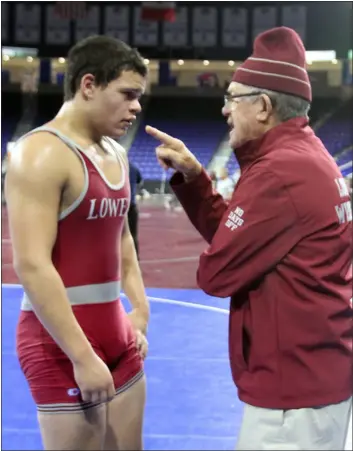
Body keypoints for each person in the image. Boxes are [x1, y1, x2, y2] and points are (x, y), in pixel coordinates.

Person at [146, 27, 352, 450]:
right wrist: (196, 179)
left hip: (292, 396)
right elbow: (242, 240)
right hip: (316, 376)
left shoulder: (277, 172)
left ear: (262, 106)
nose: (225, 110)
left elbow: (217, 272)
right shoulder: (309, 156)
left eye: (232, 98)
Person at [5, 36, 150, 450]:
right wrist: (83, 357)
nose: (136, 107)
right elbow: (31, 265)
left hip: (116, 332)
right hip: (59, 343)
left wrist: (139, 309)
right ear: (88, 85)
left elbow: (122, 239)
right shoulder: (39, 155)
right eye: (127, 95)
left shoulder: (116, 155)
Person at [128, 161, 143, 259]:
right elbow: (139, 181)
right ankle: (135, 259)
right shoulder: (133, 167)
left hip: (118, 205)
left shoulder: (114, 166)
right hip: (131, 206)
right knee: (133, 235)